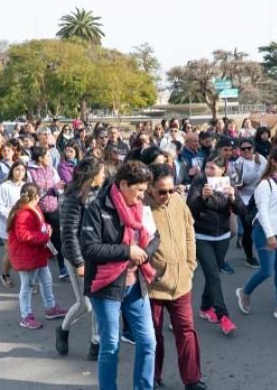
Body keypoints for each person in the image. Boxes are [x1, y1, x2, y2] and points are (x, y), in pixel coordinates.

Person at [79, 160, 159, 390]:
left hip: (136, 284)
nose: (143, 196)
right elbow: (90, 248)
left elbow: (156, 237)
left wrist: (142, 254)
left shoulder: (142, 208)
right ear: (124, 184)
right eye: (140, 190)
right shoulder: (98, 208)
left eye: (145, 190)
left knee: (147, 342)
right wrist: (127, 251)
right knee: (111, 345)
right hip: (106, 286)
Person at [146, 163, 207, 390]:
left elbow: (190, 232)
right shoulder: (142, 209)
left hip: (181, 283)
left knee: (186, 331)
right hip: (153, 287)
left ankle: (192, 379)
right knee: (153, 336)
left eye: (171, 190)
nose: (168, 195)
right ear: (150, 188)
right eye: (162, 191)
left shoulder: (178, 203)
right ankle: (152, 377)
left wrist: (190, 264)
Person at [236, 147, 277, 321]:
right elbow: (262, 212)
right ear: (273, 162)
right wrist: (270, 236)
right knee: (267, 270)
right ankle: (244, 292)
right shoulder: (265, 184)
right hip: (265, 232)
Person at [187, 154, 244, 335]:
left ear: (222, 170)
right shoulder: (199, 183)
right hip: (202, 235)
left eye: (213, 168)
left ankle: (205, 306)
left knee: (214, 274)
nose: (209, 171)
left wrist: (233, 197)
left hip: (223, 236)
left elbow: (242, 210)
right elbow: (189, 209)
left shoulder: (228, 184)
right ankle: (223, 316)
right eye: (207, 167)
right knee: (213, 275)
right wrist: (202, 199)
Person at [56, 157, 106, 359]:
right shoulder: (73, 197)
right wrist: (78, 262)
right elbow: (68, 234)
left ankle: (96, 343)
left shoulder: (100, 193)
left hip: (97, 255)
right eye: (101, 173)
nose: (104, 176)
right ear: (92, 175)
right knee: (85, 305)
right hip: (79, 258)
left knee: (97, 303)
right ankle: (63, 329)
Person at [7, 183, 68, 329]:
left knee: (46, 280)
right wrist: (43, 236)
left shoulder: (33, 209)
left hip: (37, 253)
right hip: (27, 255)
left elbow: (40, 226)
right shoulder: (24, 213)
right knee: (27, 286)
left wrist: (47, 228)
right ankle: (26, 316)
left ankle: (50, 307)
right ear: (35, 196)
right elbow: (23, 235)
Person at [28, 146, 68, 279]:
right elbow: (29, 192)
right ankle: (35, 272)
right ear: (40, 158)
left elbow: (59, 189)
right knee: (39, 240)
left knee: (57, 238)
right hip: (37, 211)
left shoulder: (52, 170)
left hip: (53, 209)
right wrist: (48, 190)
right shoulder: (30, 172)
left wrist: (57, 189)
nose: (50, 159)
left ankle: (62, 267)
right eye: (47, 156)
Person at [230, 138, 266, 268]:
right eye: (243, 148)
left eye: (249, 148)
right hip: (245, 200)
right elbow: (239, 184)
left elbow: (268, 172)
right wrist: (256, 169)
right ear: (239, 150)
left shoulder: (261, 158)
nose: (246, 151)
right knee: (248, 228)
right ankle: (249, 256)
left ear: (253, 148)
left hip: (262, 197)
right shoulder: (238, 164)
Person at [0, 160, 28, 288]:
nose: (19, 172)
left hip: (24, 226)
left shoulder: (26, 186)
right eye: (17, 169)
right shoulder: (5, 186)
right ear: (12, 171)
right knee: (11, 253)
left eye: (22, 170)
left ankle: (27, 283)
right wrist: (14, 215)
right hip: (8, 226)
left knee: (24, 254)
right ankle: (5, 274)